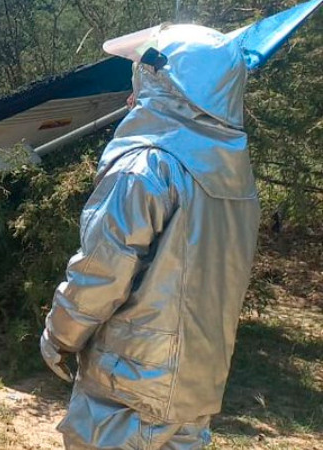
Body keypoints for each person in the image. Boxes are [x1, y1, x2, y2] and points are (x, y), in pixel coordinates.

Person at [40, 23, 261, 450]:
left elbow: (102, 271)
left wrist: (59, 335)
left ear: (163, 80)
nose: (132, 94)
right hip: (194, 391)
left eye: (140, 78)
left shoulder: (146, 165)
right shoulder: (234, 175)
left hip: (128, 390)